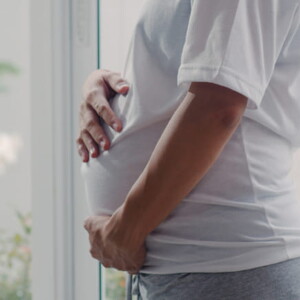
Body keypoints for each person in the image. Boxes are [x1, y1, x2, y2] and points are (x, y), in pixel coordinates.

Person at [80, 0, 300, 299]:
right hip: (189, 265)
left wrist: (125, 230)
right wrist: (110, 87)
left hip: (226, 267)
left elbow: (218, 107)